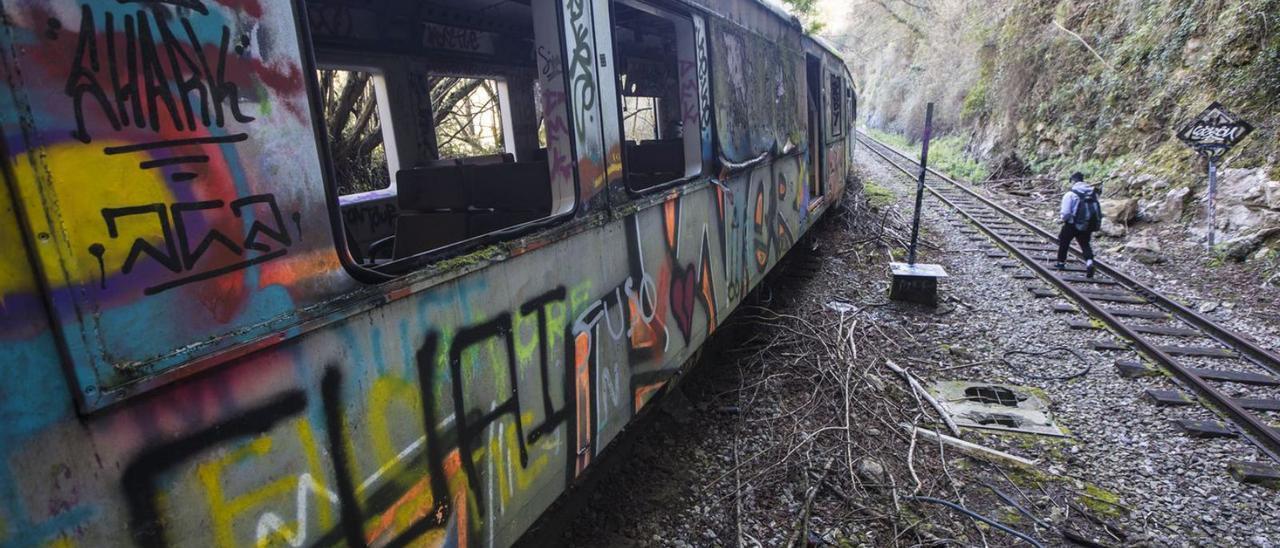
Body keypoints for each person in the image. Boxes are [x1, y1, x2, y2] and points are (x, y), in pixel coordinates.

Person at [1056, 172, 1101, 278]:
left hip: (1072, 224)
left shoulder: (1071, 194)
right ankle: (1089, 262)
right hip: (1087, 224)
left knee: (1063, 241)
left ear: (1073, 181)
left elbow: (1066, 212)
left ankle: (1061, 263)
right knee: (1085, 244)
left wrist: (1063, 219)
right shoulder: (1092, 193)